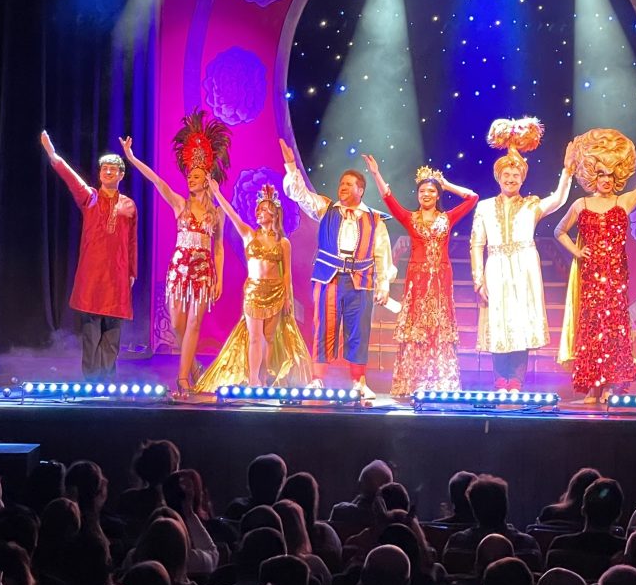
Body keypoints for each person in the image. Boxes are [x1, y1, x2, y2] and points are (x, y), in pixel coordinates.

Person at [556, 127, 636, 406]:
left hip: (615, 275)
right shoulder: (581, 203)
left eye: (610, 175)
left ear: (616, 177)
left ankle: (610, 384)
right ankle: (592, 387)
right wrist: (577, 251)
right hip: (591, 275)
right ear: (593, 178)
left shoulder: (623, 201)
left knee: (613, 327)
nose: (606, 180)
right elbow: (559, 231)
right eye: (601, 175)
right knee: (592, 327)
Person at [120, 110, 230, 394]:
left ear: (206, 179)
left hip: (203, 271)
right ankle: (191, 365)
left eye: (196, 176)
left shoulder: (217, 213)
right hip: (179, 269)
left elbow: (218, 248)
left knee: (194, 324)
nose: (190, 179)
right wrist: (132, 158)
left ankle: (182, 379)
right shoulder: (180, 203)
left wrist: (219, 278)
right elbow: (158, 181)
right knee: (178, 325)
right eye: (189, 175)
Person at [280, 138, 395, 399]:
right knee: (323, 328)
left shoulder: (375, 219)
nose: (342, 187)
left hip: (361, 281)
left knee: (359, 331)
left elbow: (382, 253)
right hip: (328, 278)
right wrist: (291, 166)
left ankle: (359, 382)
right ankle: (317, 380)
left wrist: (384, 284)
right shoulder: (326, 207)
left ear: (360, 190)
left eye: (348, 184)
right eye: (341, 183)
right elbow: (300, 195)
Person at [470, 118, 576, 391]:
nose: (511, 179)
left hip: (524, 267)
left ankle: (516, 378)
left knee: (520, 319)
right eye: (506, 175)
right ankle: (499, 377)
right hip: (496, 267)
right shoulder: (484, 207)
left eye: (516, 175)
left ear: (522, 179)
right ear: (498, 177)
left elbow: (559, 199)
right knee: (498, 318)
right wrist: (478, 279)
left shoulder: (532, 205)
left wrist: (567, 172)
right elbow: (476, 244)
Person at [360, 153, 478, 395]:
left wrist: (446, 184)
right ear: (417, 194)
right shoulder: (410, 218)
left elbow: (472, 198)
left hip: (441, 280)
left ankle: (440, 382)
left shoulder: (447, 218)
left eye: (432, 191)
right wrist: (375, 173)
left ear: (438, 195)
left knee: (439, 328)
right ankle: (413, 382)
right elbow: (388, 197)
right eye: (422, 191)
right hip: (417, 281)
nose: (427, 194)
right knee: (416, 330)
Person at [40, 132, 138, 377]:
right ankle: (91, 381)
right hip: (93, 274)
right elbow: (72, 180)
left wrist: (132, 272)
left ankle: (107, 380)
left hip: (117, 275)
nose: (108, 172)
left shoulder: (129, 205)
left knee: (112, 332)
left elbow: (132, 242)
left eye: (113, 169)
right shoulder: (90, 198)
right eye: (104, 169)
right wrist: (53, 155)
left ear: (121, 175)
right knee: (91, 331)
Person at [197, 184, 312, 390]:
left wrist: (287, 297)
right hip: (254, 291)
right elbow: (232, 215)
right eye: (257, 210)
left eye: (263, 209)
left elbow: (287, 273)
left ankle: (264, 378)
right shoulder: (249, 234)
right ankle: (252, 380)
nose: (258, 212)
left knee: (269, 338)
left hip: (276, 291)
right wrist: (217, 193)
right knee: (255, 337)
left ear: (274, 214)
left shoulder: (283, 242)